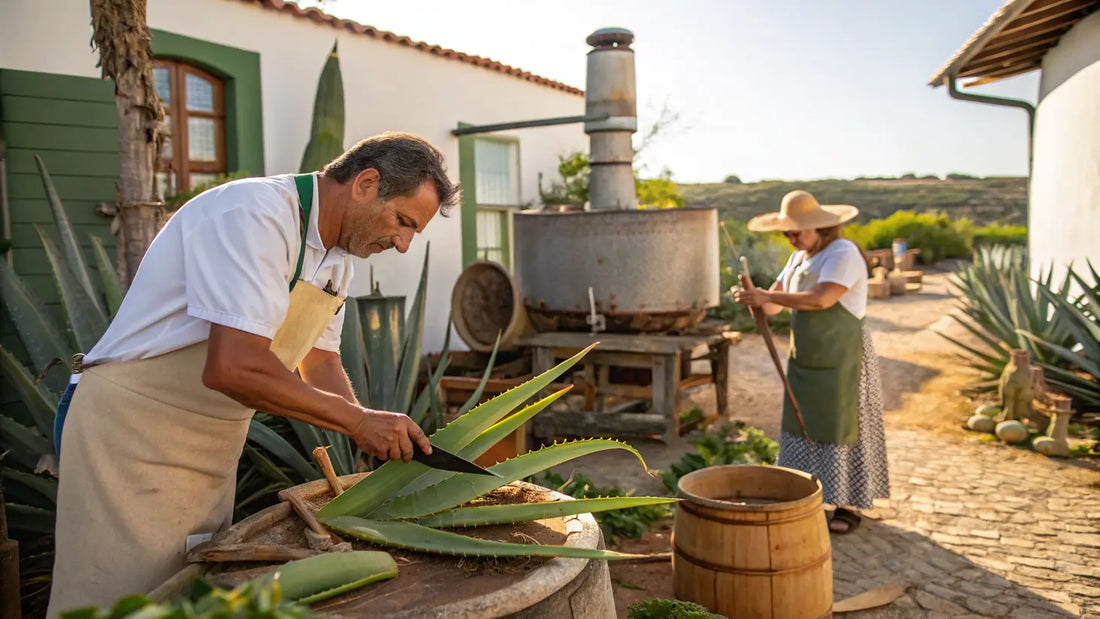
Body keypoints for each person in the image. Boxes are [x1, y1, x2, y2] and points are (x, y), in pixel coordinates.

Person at [47, 132, 461, 615]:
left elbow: (320, 361)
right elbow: (232, 366)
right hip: (130, 437)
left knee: (187, 598)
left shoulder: (337, 259)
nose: (404, 244)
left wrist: (365, 441)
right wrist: (357, 421)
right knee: (114, 602)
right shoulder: (253, 216)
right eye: (403, 222)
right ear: (366, 184)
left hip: (210, 448)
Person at [733, 190, 889, 535]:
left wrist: (768, 295)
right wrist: (752, 296)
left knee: (841, 426)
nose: (791, 238)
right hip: (806, 358)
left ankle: (847, 505)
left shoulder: (842, 253)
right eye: (786, 233)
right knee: (804, 428)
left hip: (842, 357)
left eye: (796, 232)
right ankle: (807, 498)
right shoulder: (799, 258)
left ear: (820, 227)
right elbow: (772, 307)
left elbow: (822, 299)